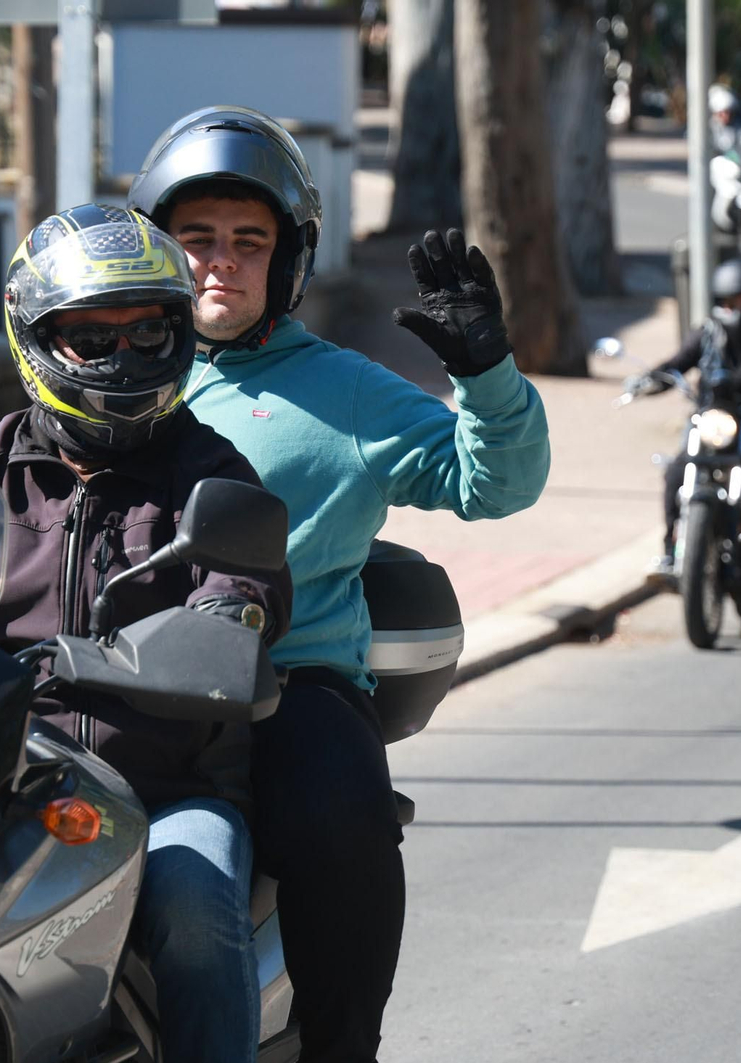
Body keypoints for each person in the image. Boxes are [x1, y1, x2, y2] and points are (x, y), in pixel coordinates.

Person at [126, 106, 550, 1063]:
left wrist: (486, 374)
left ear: (289, 261)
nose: (219, 263)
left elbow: (498, 485)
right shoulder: (105, 364)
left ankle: (341, 1045)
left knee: (337, 813)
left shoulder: (347, 391)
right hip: (106, 679)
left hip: (284, 687)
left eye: (248, 241)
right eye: (195, 239)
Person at [0, 204, 294, 1063]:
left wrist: (216, 629)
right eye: (92, 337)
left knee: (193, 893)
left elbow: (245, 595)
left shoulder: (210, 474)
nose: (123, 357)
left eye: (148, 333)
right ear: (34, 336)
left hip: (156, 792)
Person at [622, 257, 741, 583]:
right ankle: (670, 551)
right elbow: (677, 363)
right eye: (729, 304)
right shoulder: (707, 334)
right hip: (715, 422)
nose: (737, 313)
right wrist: (648, 379)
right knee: (676, 471)